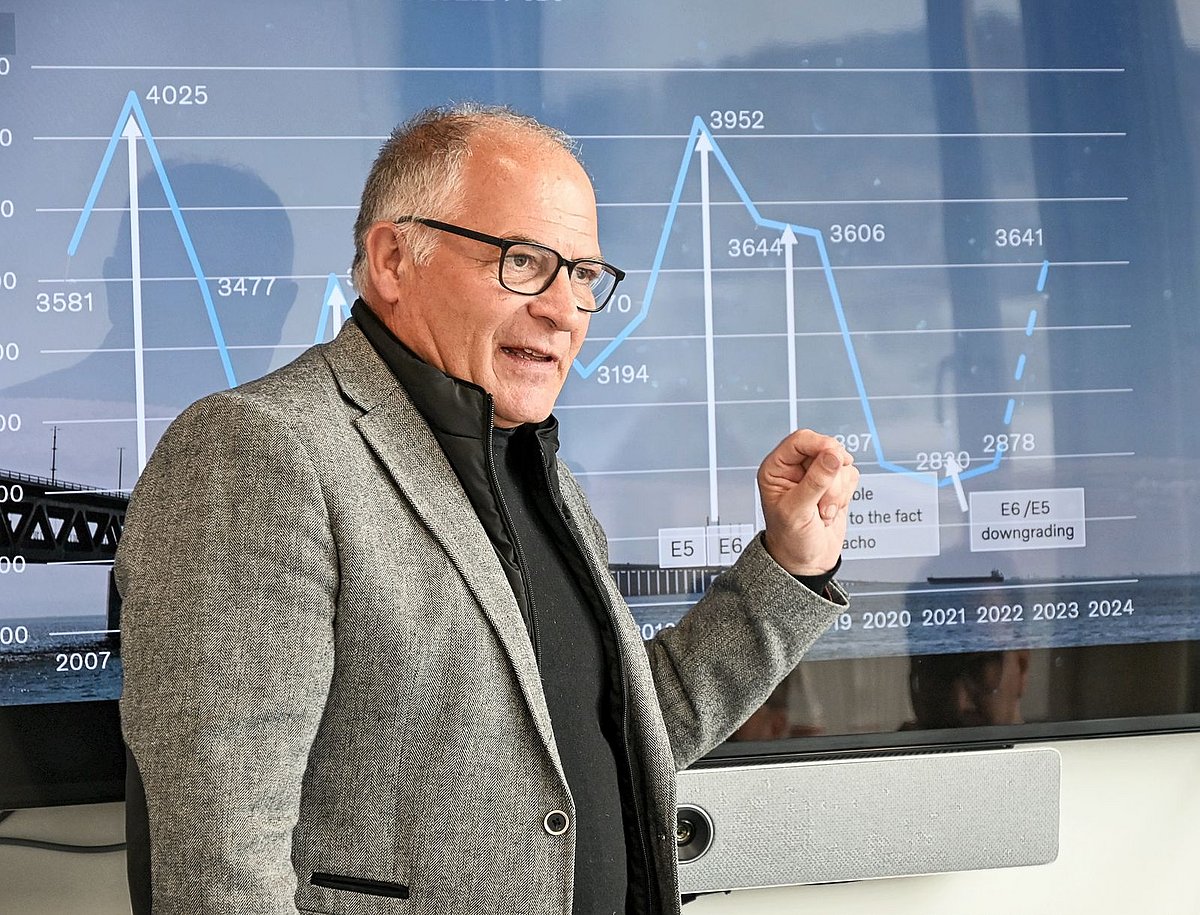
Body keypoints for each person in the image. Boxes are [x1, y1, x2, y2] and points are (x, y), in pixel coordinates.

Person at [117, 104, 859, 915]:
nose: (563, 308)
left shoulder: (534, 467)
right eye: (524, 261)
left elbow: (623, 736)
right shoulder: (259, 448)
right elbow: (219, 865)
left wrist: (789, 567)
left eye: (583, 275)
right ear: (393, 259)